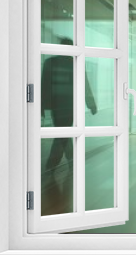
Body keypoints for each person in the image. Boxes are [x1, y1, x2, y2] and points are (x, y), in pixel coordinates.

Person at [41, 37, 97, 172]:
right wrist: (91, 104)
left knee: (63, 132)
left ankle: (54, 164)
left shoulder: (51, 63)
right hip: (70, 105)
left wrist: (41, 106)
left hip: (57, 106)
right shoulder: (76, 63)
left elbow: (44, 86)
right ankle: (67, 161)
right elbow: (85, 85)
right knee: (64, 132)